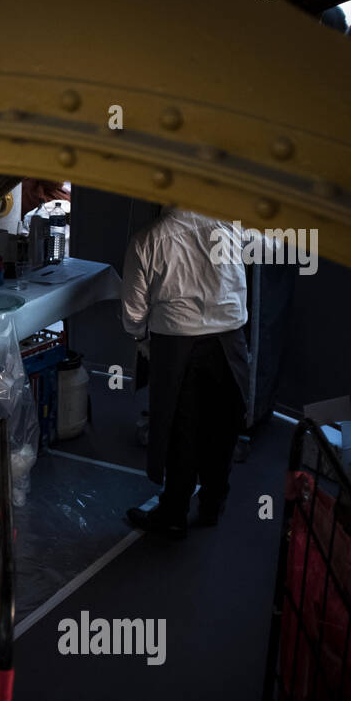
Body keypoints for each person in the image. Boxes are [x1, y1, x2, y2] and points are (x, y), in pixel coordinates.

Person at [120, 208, 250, 539]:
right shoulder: (232, 226)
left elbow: (133, 313)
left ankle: (173, 514)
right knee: (223, 428)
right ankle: (211, 505)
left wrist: (142, 339)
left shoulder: (146, 240)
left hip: (177, 345)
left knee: (180, 430)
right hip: (229, 342)